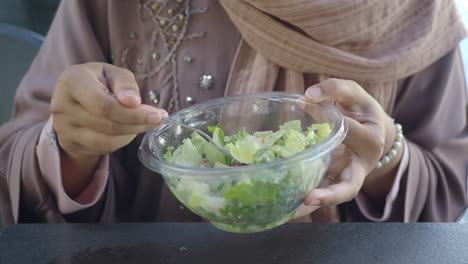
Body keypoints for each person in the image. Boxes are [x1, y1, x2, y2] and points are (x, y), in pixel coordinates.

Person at [0, 0, 467, 225]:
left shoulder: (413, 15)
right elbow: (15, 169)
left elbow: (448, 193)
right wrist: (74, 146)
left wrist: (383, 155)